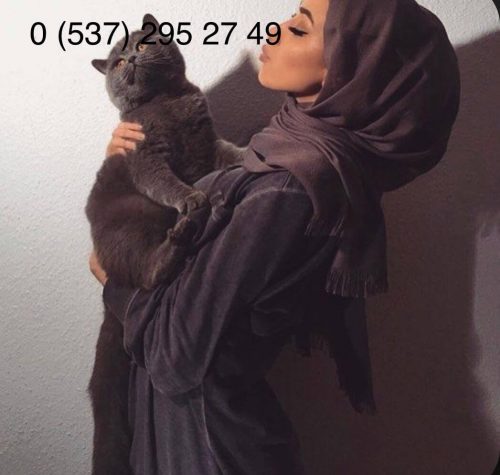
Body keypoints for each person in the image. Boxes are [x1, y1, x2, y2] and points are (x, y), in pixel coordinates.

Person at [89, 0, 460, 473]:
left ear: (356, 70)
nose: (275, 30)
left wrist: (113, 281)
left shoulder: (287, 189)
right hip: (190, 434)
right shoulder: (284, 155)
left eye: (300, 29)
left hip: (208, 450)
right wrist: (127, 163)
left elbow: (177, 356)